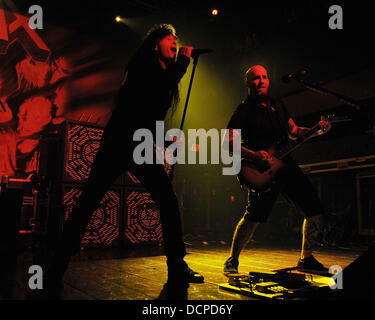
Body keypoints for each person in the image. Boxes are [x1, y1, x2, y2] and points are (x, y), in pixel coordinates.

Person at [45, 24, 204, 295]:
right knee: (88, 203)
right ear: (155, 44)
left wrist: (163, 144)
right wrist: (184, 64)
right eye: (169, 38)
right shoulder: (143, 67)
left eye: (176, 39)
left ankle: (177, 265)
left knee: (167, 200)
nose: (175, 42)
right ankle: (55, 268)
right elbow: (142, 102)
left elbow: (152, 116)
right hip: (119, 142)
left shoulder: (166, 77)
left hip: (139, 144)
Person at [223, 65, 331, 275]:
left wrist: (315, 130)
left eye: (264, 77)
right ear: (247, 83)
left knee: (315, 210)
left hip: (286, 165)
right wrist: (254, 155)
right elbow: (228, 143)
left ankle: (306, 259)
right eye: (255, 78)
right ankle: (232, 259)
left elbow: (294, 131)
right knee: (253, 216)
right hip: (261, 170)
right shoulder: (244, 110)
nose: (261, 81)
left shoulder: (278, 105)